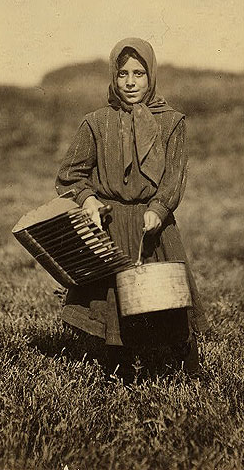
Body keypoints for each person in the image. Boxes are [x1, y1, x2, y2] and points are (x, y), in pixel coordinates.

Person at [55, 37, 209, 379]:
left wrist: (159, 207)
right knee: (115, 304)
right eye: (122, 73)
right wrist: (89, 200)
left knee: (164, 300)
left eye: (139, 73)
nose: (130, 81)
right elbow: (70, 174)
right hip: (111, 226)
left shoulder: (172, 122)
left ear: (150, 75)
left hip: (154, 225)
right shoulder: (96, 122)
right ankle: (120, 371)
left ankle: (177, 371)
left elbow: (173, 178)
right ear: (113, 76)